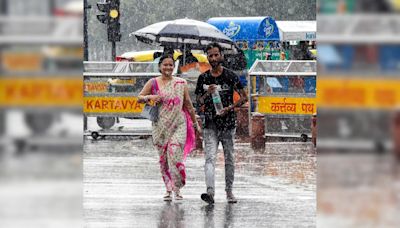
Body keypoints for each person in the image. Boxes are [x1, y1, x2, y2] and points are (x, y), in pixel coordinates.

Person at [138, 54, 201, 201]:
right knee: (164, 160)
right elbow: (139, 98)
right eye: (165, 65)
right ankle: (168, 188)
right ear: (160, 67)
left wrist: (194, 122)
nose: (168, 67)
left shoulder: (181, 83)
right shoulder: (153, 83)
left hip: (179, 124)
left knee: (175, 156)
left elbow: (188, 104)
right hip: (160, 126)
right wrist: (150, 97)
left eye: (171, 65)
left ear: (174, 67)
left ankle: (177, 188)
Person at [195, 43, 248, 204]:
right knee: (209, 158)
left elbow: (244, 98)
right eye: (210, 56)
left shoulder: (230, 76)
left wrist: (229, 108)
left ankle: (229, 191)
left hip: (228, 124)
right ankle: (210, 192)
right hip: (210, 124)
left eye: (216, 55)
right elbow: (198, 101)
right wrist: (206, 93)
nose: (213, 58)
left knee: (229, 158)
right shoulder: (203, 78)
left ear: (221, 56)